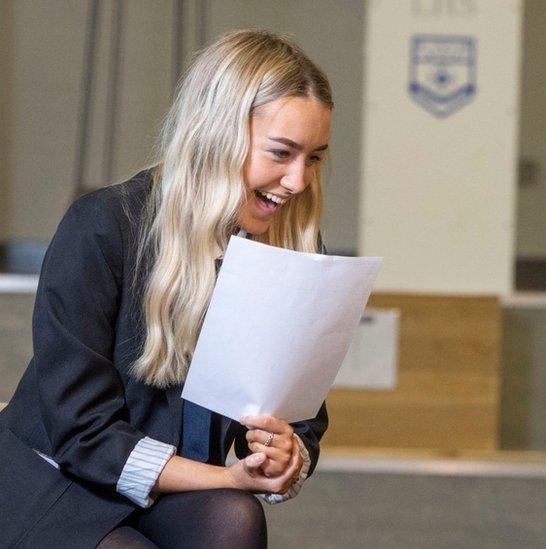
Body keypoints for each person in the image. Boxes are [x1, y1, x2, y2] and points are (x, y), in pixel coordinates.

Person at [0, 29, 333, 548]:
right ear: (216, 135)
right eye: (282, 153)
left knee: (236, 520)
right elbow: (83, 434)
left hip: (175, 483)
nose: (297, 181)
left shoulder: (291, 247)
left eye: (313, 158)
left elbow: (301, 409)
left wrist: (286, 453)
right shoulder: (103, 225)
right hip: (56, 479)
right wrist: (227, 477)